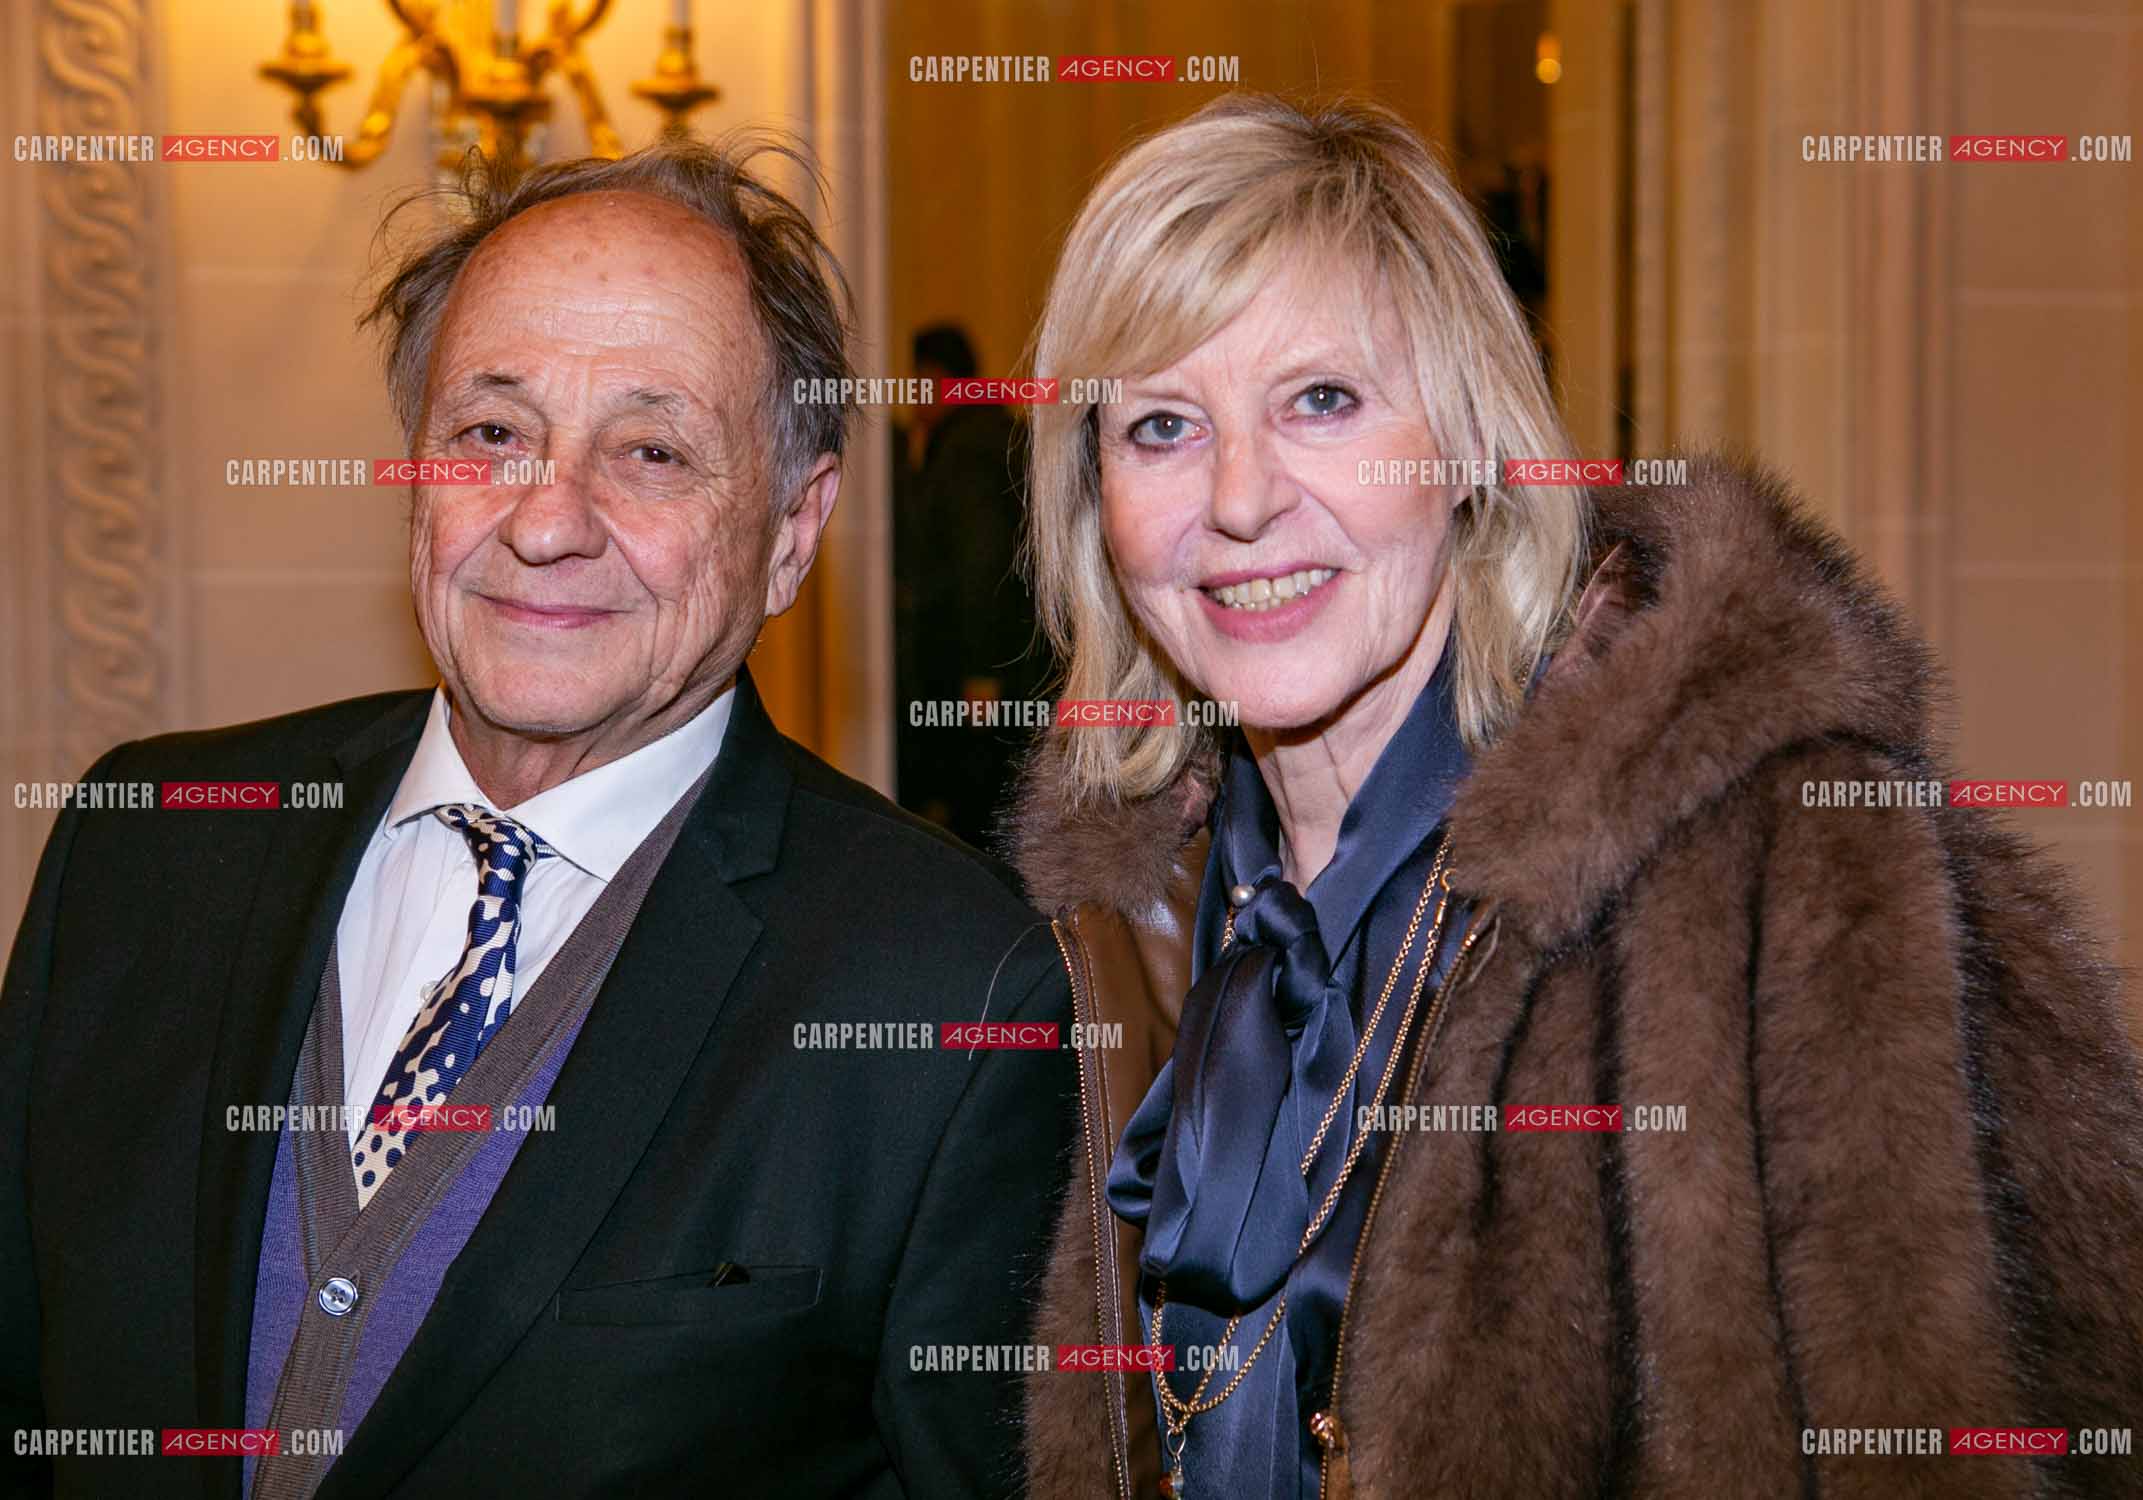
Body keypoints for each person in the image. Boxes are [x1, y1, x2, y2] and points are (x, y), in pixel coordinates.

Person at [1012, 94, 2143, 1499]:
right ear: (1092, 507)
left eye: (1322, 400)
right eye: (1162, 426)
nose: (1240, 500)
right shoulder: (1133, 919)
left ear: (1474, 445)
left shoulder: (1762, 871)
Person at [0, 137, 1074, 1499]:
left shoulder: (949, 993)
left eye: (652, 449)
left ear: (794, 529)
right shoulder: (144, 845)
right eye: (491, 433)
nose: (547, 519)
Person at [893, 324, 1041, 848]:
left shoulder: (965, 451)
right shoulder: (998, 433)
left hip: (978, 670)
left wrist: (980, 673)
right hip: (1014, 663)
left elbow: (982, 565)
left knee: (978, 808)